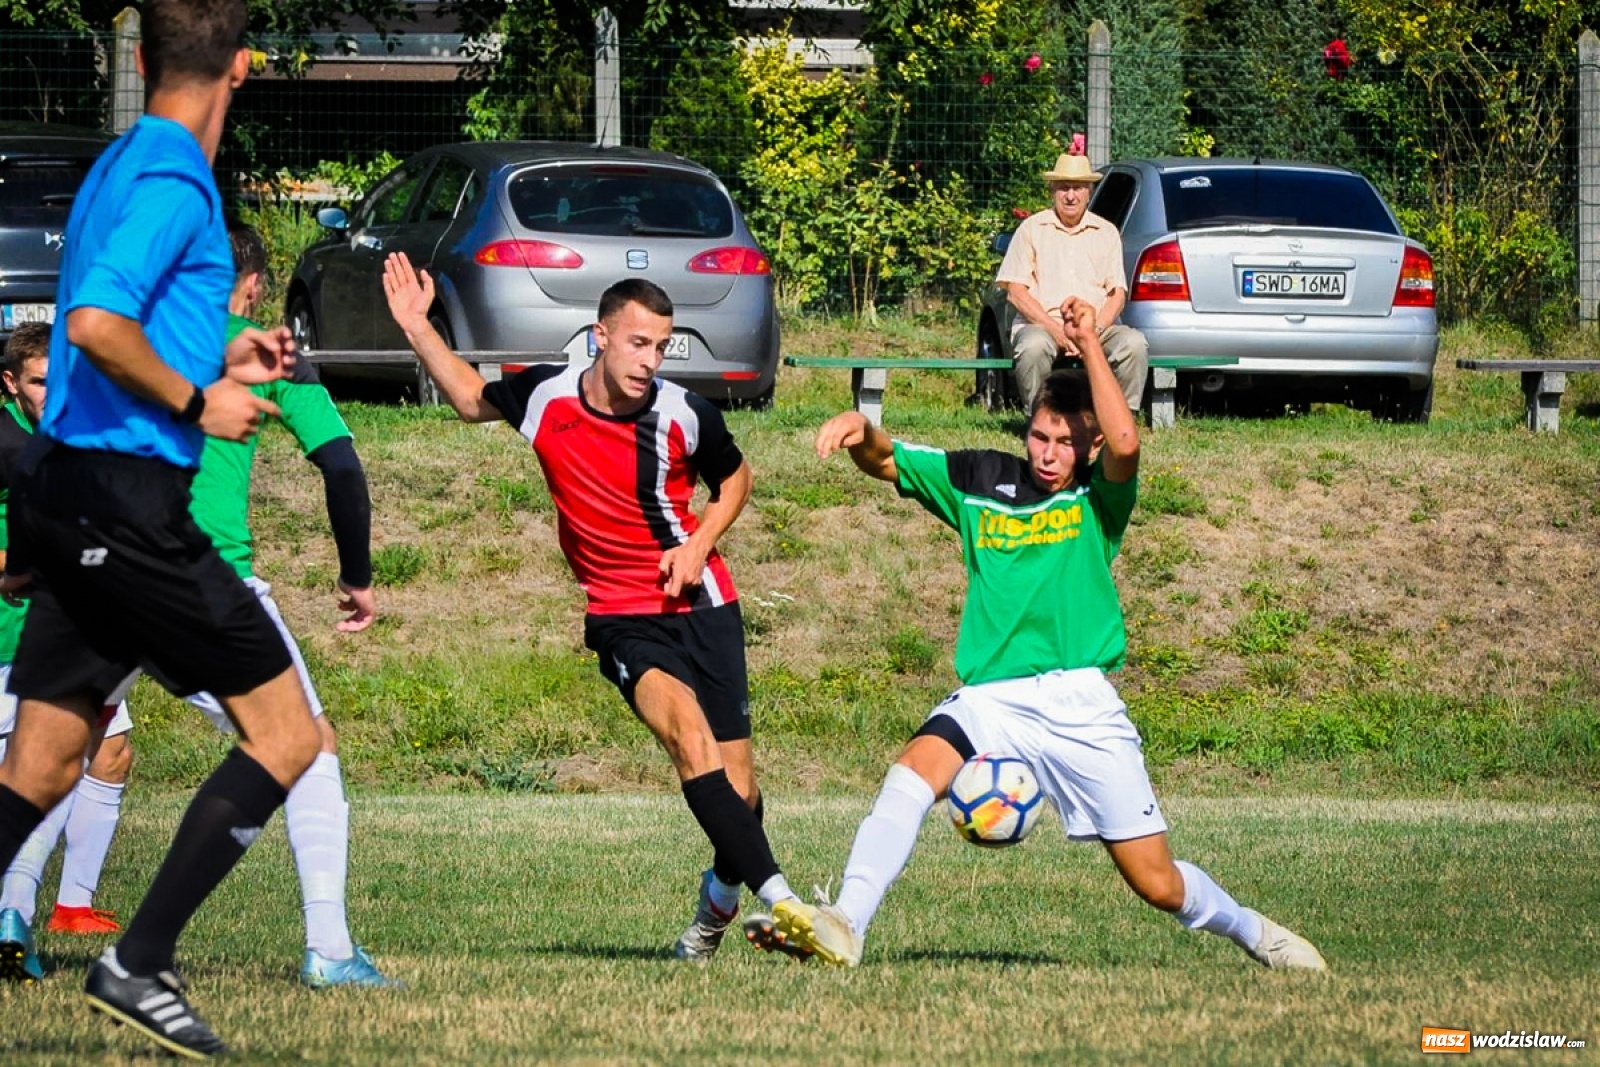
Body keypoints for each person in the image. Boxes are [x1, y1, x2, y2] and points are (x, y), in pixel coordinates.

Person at [743, 299, 1325, 972]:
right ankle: (847, 921)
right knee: (910, 773)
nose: (1050, 453)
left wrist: (1089, 344)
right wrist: (860, 427)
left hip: (1081, 705)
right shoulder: (978, 480)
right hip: (992, 697)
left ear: (1090, 447)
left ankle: (1255, 931)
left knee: (1156, 881)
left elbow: (1128, 443)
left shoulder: (1097, 501)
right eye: (1041, 436)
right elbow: (889, 463)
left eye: (1067, 441)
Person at [0, 1, 318, 1057]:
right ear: (241, 68)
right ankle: (139, 959)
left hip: (69, 489)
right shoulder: (179, 175)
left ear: (139, 59)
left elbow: (116, 317)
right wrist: (196, 402)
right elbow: (92, 320)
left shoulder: (115, 163)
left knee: (41, 766)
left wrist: (222, 360)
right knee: (288, 735)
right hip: (128, 506)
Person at [382, 253, 820, 962]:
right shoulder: (546, 397)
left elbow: (737, 479)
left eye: (662, 345)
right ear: (601, 337)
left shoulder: (684, 413)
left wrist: (701, 540)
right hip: (621, 614)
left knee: (740, 794)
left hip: (702, 603)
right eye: (638, 342)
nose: (651, 359)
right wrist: (416, 327)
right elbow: (468, 396)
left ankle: (715, 907)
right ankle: (791, 906)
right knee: (687, 739)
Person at [0, 226, 395, 989]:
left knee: (48, 760)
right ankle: (331, 945)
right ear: (248, 286)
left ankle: (13, 913)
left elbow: (46, 454)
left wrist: (26, 565)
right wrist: (357, 575)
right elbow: (342, 466)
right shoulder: (263, 344)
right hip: (195, 575)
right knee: (307, 744)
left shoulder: (120, 345)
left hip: (94, 573)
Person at [0, 324, 134, 980]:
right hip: (13, 637)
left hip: (69, 631)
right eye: (38, 381)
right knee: (33, 780)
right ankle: (13, 916)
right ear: (10, 383)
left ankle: (61, 906)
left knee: (104, 755)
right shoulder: (8, 443)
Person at [998, 152, 1149, 412]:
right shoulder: (1032, 229)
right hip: (1043, 324)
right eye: (1064, 187)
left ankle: (1121, 421)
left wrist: (1095, 331)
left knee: (1133, 344)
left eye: (1078, 188)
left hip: (1096, 327)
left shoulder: (1107, 232)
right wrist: (1055, 330)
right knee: (1032, 347)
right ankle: (1038, 420)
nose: (1071, 196)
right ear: (1052, 190)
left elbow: (1117, 294)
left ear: (1089, 192)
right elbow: (1015, 291)